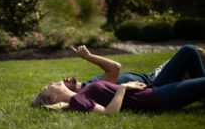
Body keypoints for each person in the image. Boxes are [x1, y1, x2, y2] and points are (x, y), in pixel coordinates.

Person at [33, 45, 205, 114]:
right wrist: (123, 88)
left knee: (189, 50)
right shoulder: (78, 99)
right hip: (156, 98)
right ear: (55, 97)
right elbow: (109, 113)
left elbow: (62, 105)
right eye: (47, 88)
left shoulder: (80, 96)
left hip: (152, 87)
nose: (50, 83)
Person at [63, 45, 205, 92]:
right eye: (62, 84)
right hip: (155, 84)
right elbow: (115, 68)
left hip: (152, 76)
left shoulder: (89, 84)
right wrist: (87, 56)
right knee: (189, 51)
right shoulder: (92, 88)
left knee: (199, 53)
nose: (63, 79)